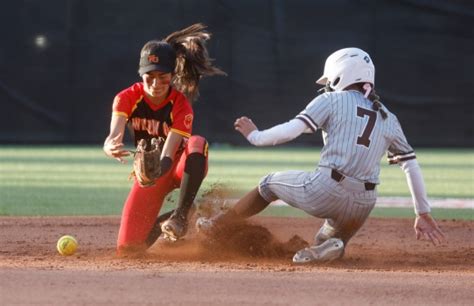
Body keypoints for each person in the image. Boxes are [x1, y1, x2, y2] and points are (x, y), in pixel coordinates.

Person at [197, 47, 446, 263]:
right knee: (325, 241)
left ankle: (218, 225)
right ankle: (331, 246)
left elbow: (293, 129)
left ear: (341, 73)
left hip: (327, 188)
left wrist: (255, 136)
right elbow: (410, 165)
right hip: (364, 202)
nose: (327, 84)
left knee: (268, 184)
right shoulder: (388, 117)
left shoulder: (332, 100)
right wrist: (422, 213)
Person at [103, 23, 225, 254]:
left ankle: (180, 215)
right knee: (128, 249)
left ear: (173, 74)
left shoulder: (181, 105)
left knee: (197, 142)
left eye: (163, 77)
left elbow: (169, 153)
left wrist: (160, 167)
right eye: (150, 76)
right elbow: (113, 135)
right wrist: (110, 146)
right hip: (150, 175)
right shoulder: (126, 98)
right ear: (141, 73)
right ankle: (187, 213)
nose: (156, 84)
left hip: (180, 165)